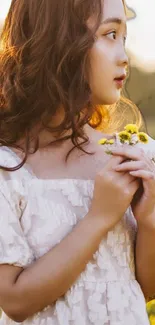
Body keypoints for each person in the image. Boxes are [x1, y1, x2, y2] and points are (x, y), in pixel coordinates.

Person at [0, 0, 155, 324]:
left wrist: (150, 220)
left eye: (124, 38)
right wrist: (99, 217)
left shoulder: (137, 154)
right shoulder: (8, 168)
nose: (124, 56)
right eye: (110, 34)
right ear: (58, 42)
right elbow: (14, 300)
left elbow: (145, 288)